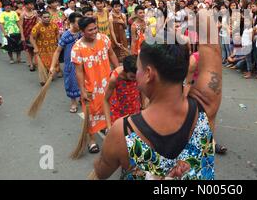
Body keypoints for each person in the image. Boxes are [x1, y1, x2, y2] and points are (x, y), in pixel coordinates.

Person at [93, 10, 222, 180]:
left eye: (138, 68)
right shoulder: (206, 105)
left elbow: (99, 173)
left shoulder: (123, 132)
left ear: (148, 74)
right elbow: (210, 41)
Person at [71, 17, 119, 154]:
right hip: (90, 87)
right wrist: (82, 90)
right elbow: (78, 72)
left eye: (95, 28)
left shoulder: (104, 39)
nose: (94, 32)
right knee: (90, 113)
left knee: (109, 108)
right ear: (82, 31)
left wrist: (119, 71)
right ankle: (91, 140)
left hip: (107, 83)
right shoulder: (77, 48)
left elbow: (112, 54)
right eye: (90, 30)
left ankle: (106, 128)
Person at [49, 12, 83, 113]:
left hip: (83, 62)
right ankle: (73, 102)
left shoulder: (83, 32)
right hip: (71, 64)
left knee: (85, 81)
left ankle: (82, 97)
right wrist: (52, 66)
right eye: (78, 22)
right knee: (72, 83)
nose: (80, 24)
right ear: (71, 23)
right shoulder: (66, 36)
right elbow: (58, 51)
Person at [103, 55, 142, 129]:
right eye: (132, 77)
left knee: (134, 139)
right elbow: (105, 100)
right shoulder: (115, 78)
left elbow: (142, 91)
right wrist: (109, 126)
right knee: (122, 138)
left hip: (135, 114)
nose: (135, 80)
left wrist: (143, 107)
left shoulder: (138, 75)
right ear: (125, 71)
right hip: (119, 116)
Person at [30, 11, 60, 84]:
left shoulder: (54, 25)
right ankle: (44, 79)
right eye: (44, 17)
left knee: (53, 62)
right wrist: (35, 47)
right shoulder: (37, 26)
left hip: (53, 48)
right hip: (42, 49)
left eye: (48, 17)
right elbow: (31, 38)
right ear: (41, 18)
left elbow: (57, 34)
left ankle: (52, 74)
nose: (47, 19)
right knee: (43, 64)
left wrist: (59, 43)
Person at [19, 0, 39, 71]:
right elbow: (20, 25)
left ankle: (33, 62)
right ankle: (31, 64)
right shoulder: (23, 14)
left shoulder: (35, 13)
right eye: (30, 4)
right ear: (26, 5)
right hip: (26, 34)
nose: (32, 5)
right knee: (28, 50)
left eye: (32, 4)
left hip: (34, 34)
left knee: (34, 49)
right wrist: (22, 36)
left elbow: (38, 23)